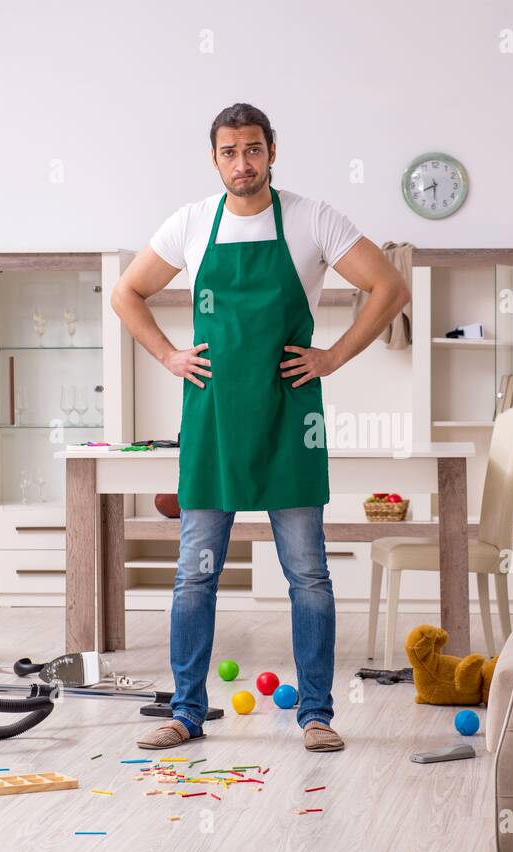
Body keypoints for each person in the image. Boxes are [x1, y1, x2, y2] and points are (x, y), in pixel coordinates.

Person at [111, 103, 411, 752]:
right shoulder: (191, 223)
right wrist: (168, 354)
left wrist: (333, 354)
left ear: (272, 151)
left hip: (289, 419)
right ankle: (187, 711)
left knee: (307, 573)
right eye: (229, 152)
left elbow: (389, 287)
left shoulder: (312, 218)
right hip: (213, 420)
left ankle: (317, 714)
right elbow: (125, 293)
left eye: (252, 149)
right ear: (214, 158)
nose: (242, 163)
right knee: (196, 572)